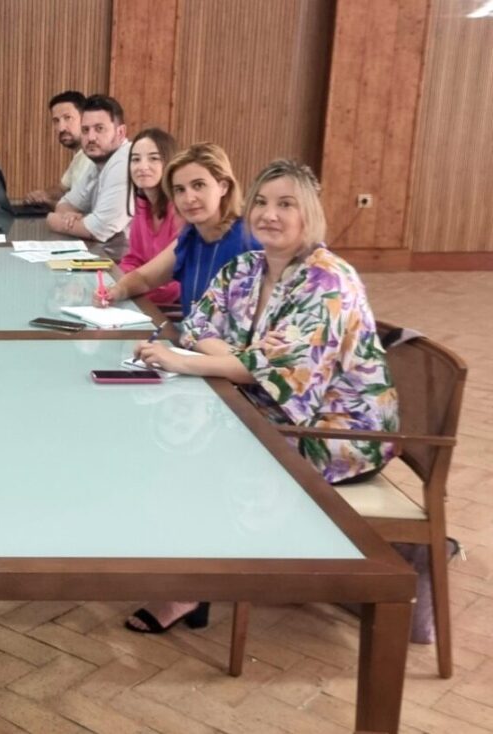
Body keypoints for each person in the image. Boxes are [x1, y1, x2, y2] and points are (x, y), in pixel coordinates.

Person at [125, 159, 398, 633]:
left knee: (198, 452)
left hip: (333, 431)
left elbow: (278, 373)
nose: (270, 214)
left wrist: (193, 362)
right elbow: (198, 327)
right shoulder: (246, 267)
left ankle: (193, 586)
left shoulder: (330, 281)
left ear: (310, 213)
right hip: (261, 404)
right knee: (160, 427)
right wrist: (243, 358)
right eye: (263, 203)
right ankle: (185, 569)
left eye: (286, 204)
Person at [97, 142, 259, 317]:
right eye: (180, 190)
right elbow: (144, 279)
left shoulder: (250, 242)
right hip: (191, 333)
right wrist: (116, 291)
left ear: (223, 186)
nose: (188, 199)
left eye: (198, 185)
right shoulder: (191, 237)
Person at [47, 94, 132, 250]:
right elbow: (64, 205)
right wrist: (79, 220)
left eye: (99, 129)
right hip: (110, 253)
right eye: (85, 130)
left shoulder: (124, 161)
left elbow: (97, 230)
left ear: (120, 132)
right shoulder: (97, 161)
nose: (91, 137)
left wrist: (52, 220)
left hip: (135, 260)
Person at [119, 127, 184, 307]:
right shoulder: (142, 205)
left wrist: (128, 287)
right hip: (144, 298)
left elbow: (175, 284)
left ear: (169, 163)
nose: (142, 167)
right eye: (135, 159)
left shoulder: (181, 210)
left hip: (174, 307)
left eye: (153, 158)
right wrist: (121, 282)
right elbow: (133, 260)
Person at [25, 90, 95, 205]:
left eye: (68, 118)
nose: (61, 128)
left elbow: (80, 208)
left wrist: (47, 202)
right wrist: (42, 194)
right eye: (56, 121)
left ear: (85, 118)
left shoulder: (94, 157)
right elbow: (62, 189)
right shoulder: (80, 155)